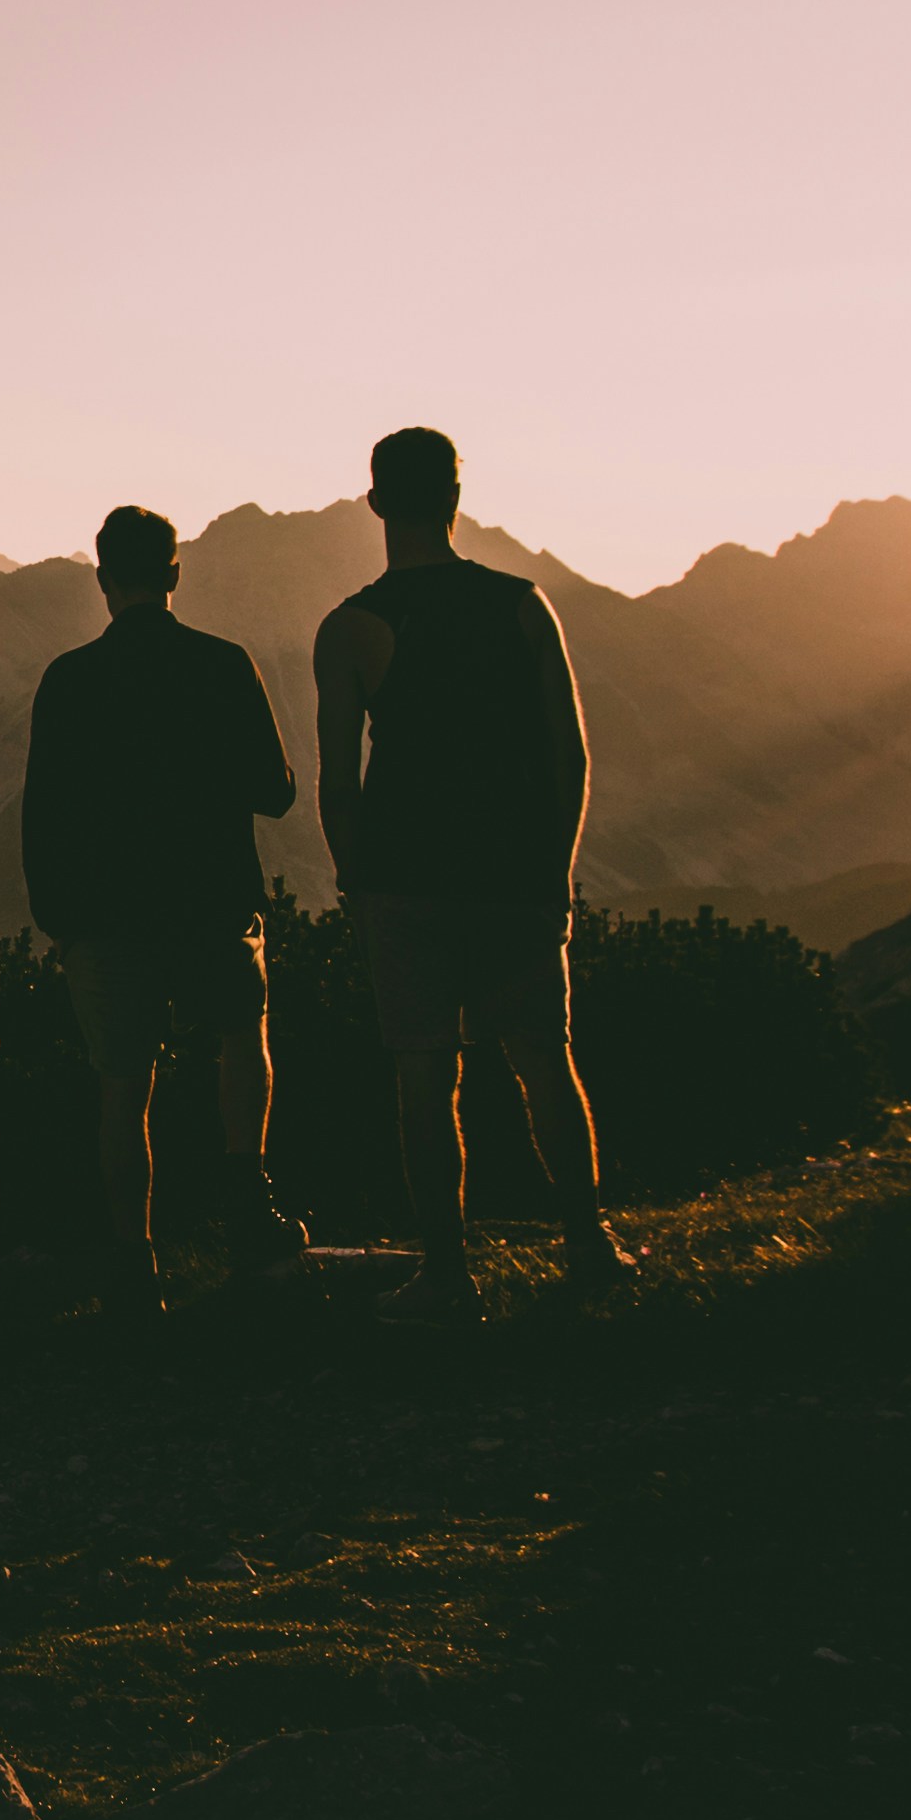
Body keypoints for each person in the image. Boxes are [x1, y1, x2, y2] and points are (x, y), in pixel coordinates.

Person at [312, 428, 634, 1325]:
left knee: (424, 1073)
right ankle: (589, 1241)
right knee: (544, 1060)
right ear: (457, 498)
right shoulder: (524, 605)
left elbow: (340, 782)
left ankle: (447, 1275)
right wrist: (555, 872)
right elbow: (568, 753)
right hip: (512, 872)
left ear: (375, 503)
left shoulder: (351, 628)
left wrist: (353, 884)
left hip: (403, 881)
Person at [17, 503, 308, 1307]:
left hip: (107, 920)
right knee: (241, 1044)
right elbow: (277, 793)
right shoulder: (223, 664)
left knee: (122, 1085)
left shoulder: (70, 680)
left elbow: (42, 815)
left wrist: (61, 920)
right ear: (175, 574)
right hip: (212, 904)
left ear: (103, 579)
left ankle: (131, 1257)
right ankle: (250, 1212)